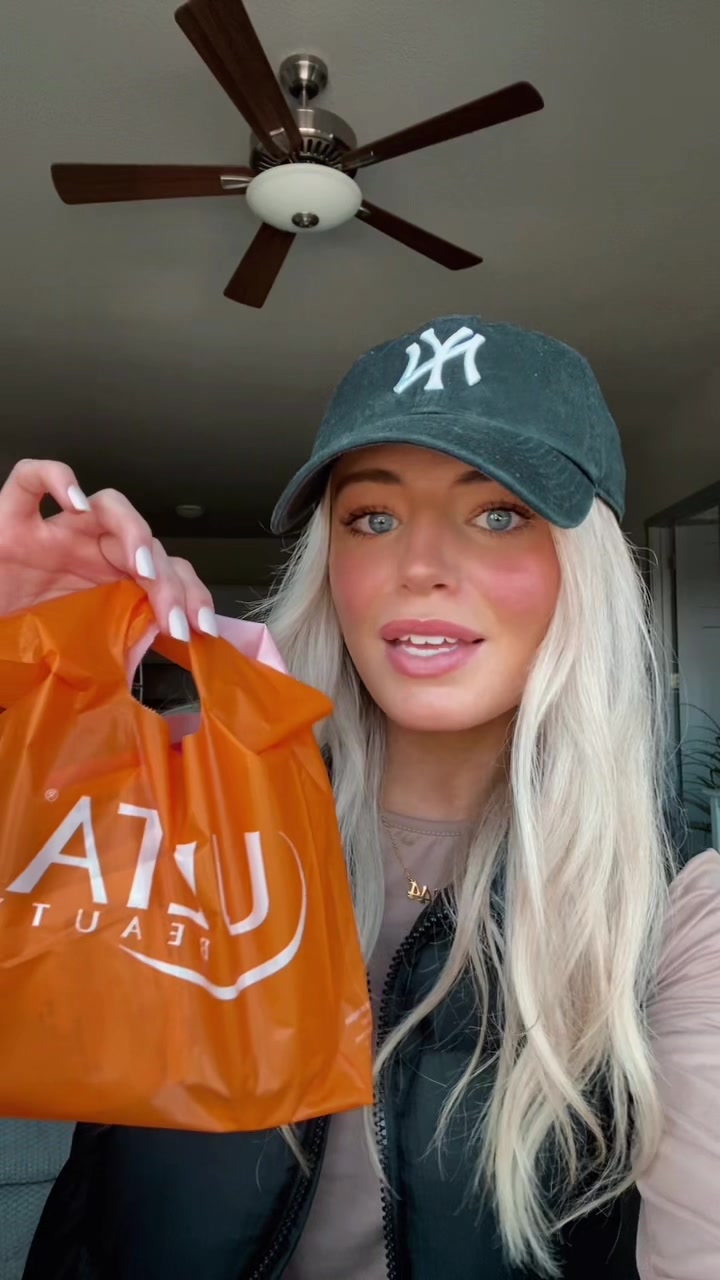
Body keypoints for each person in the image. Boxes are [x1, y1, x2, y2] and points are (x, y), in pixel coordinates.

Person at [2, 315, 718, 1280]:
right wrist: (21, 684)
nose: (419, 566)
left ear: (580, 569)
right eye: (373, 518)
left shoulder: (678, 916)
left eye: (498, 514)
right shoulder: (165, 809)